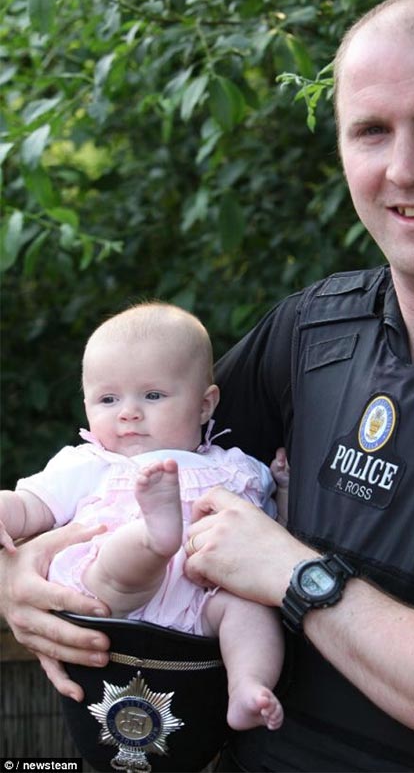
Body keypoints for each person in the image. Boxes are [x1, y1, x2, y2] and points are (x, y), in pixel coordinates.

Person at [1, 0, 414, 771]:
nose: (405, 168)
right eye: (372, 132)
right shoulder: (316, 328)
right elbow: (129, 461)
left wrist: (298, 574)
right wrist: (17, 582)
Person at [0, 302, 284, 732]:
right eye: (108, 399)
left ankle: (248, 685)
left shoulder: (233, 467)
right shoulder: (90, 463)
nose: (128, 412)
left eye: (152, 395)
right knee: (116, 557)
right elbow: (28, 505)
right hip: (116, 603)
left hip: (201, 603)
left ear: (205, 405)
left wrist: (283, 484)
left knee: (249, 611)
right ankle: (154, 537)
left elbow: (274, 528)